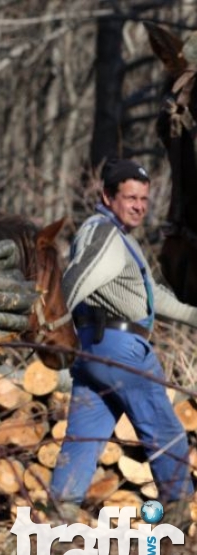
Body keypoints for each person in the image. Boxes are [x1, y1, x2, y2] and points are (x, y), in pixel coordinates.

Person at [50, 157, 196, 509]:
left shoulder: (116, 237)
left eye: (144, 199)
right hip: (121, 350)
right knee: (165, 434)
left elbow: (151, 296)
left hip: (95, 351)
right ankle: (182, 522)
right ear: (107, 196)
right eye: (131, 198)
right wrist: (53, 331)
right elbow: (75, 280)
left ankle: (57, 519)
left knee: (83, 440)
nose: (139, 206)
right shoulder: (102, 233)